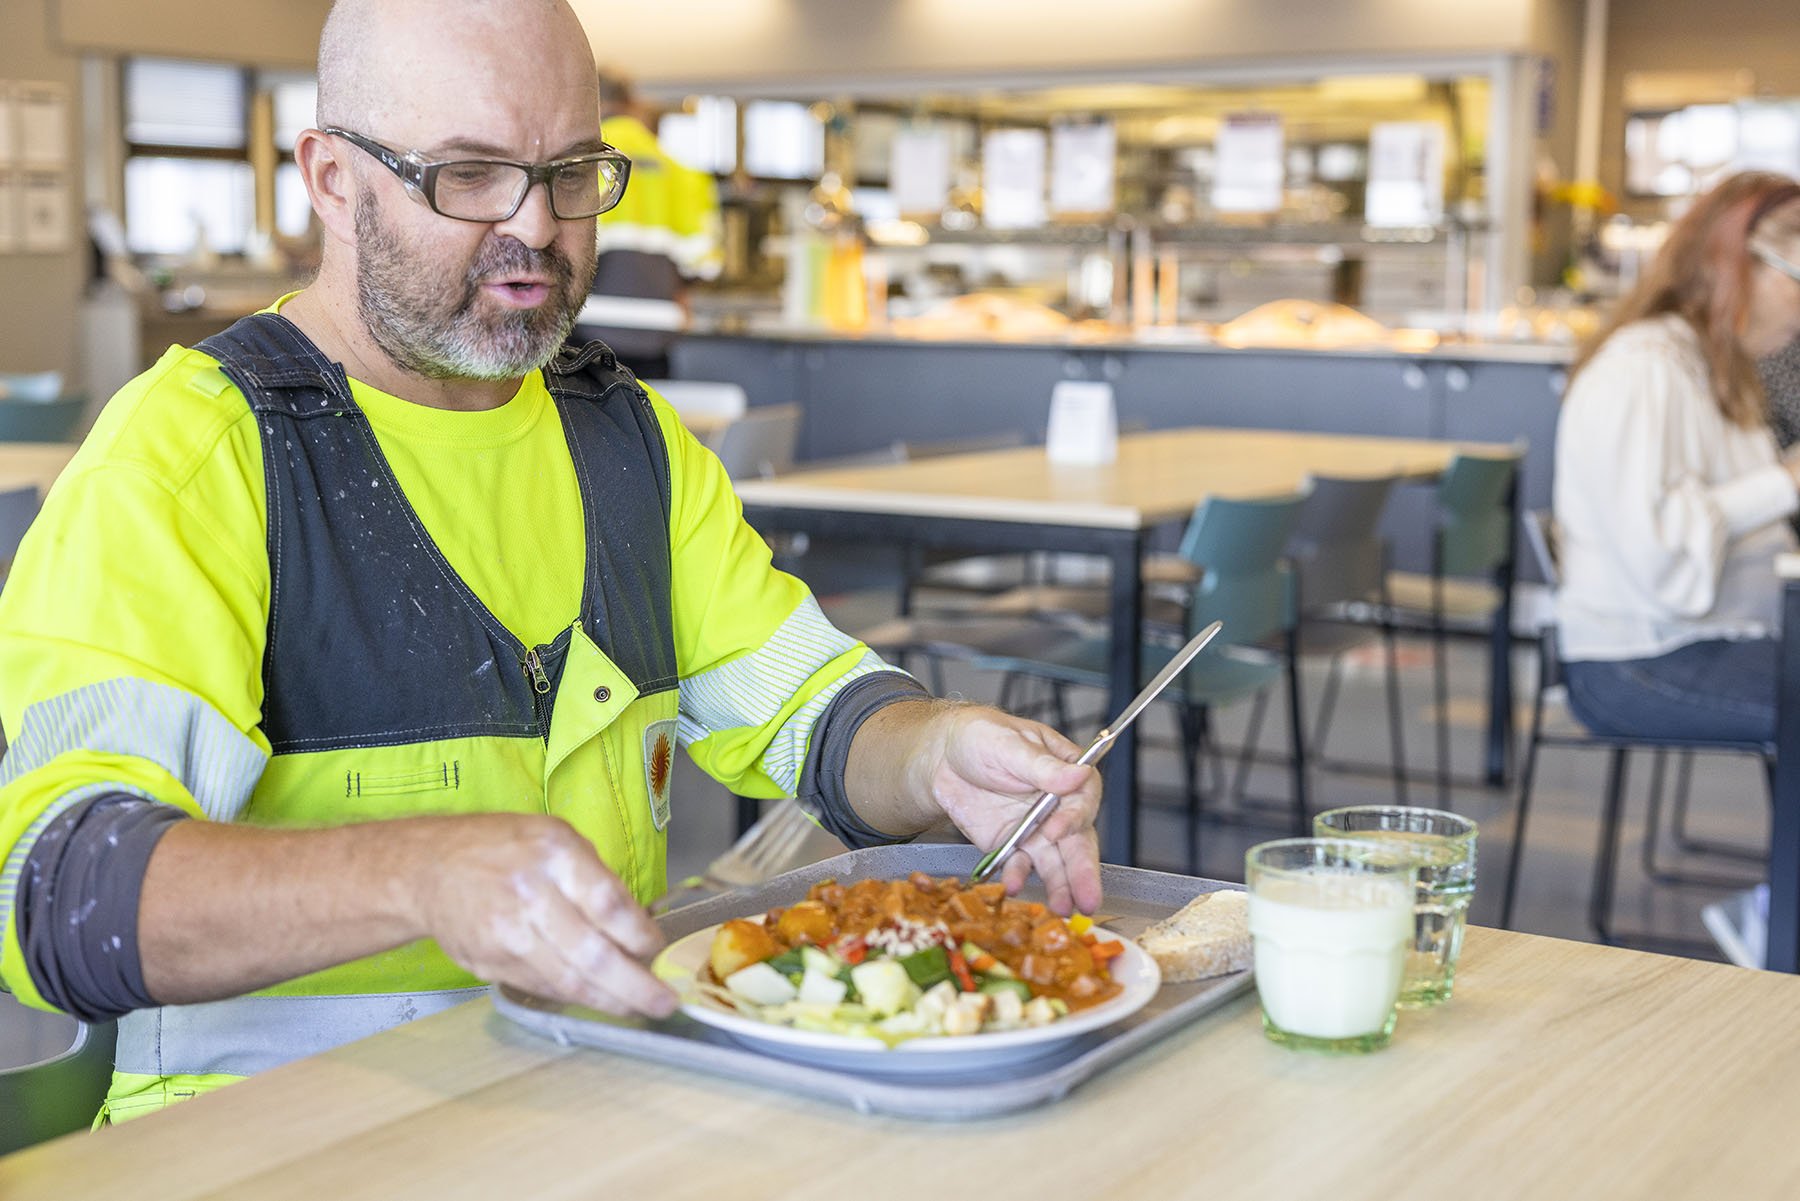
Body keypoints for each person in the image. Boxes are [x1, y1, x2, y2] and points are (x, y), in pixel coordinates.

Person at [0, 0, 1102, 1124]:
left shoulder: (628, 445)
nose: (535, 225)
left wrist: (938, 754)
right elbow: (64, 897)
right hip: (262, 1147)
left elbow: (820, 715)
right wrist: (422, 874)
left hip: (592, 1108)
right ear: (333, 179)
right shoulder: (193, 459)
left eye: (571, 171)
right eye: (471, 174)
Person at [1553, 171, 1800, 744]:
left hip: (1714, 638)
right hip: (1639, 660)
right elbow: (1659, 562)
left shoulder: (1713, 364)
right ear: (1738, 266)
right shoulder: (1644, 370)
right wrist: (1784, 482)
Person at [573, 70, 721, 380]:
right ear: (633, 104)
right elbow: (705, 267)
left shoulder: (579, 166)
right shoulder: (685, 175)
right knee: (648, 424)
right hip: (658, 337)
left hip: (584, 332)